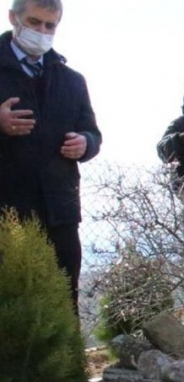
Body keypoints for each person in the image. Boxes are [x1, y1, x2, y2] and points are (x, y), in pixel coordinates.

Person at [0, 0, 101, 311]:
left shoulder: (72, 80)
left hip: (60, 211)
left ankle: (66, 363)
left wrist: (84, 143)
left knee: (61, 301)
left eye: (49, 26)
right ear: (13, 18)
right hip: (6, 211)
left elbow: (93, 133)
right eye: (33, 22)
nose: (41, 31)